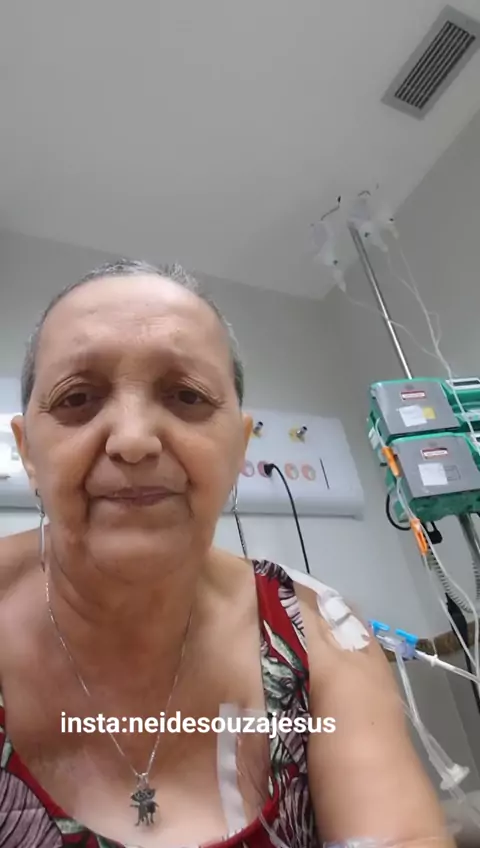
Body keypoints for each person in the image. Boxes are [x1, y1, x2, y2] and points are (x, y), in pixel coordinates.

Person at [0, 259, 453, 848]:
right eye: (78, 397)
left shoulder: (321, 635)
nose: (133, 440)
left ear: (239, 449)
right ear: (28, 451)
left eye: (187, 395)